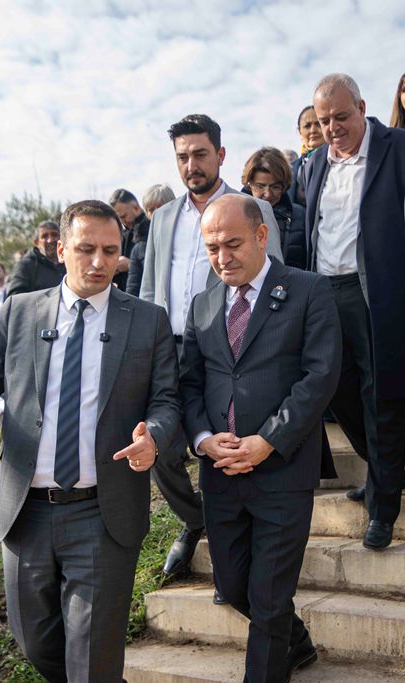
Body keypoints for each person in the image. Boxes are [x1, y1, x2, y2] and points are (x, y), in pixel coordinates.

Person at [0, 199, 180, 682]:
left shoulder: (147, 320)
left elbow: (167, 402)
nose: (99, 262)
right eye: (86, 249)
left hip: (102, 512)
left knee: (91, 659)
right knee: (35, 643)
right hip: (26, 512)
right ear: (61, 250)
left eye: (110, 251)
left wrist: (153, 438)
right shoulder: (19, 312)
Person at [180, 194, 341, 682]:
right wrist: (203, 438)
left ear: (261, 235)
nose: (222, 257)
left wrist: (268, 439)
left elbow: (319, 376)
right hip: (221, 472)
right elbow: (189, 383)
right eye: (212, 248)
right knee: (234, 587)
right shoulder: (203, 303)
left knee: (269, 597)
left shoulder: (308, 290)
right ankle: (298, 642)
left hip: (282, 470)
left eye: (232, 244)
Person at [139, 114, 283, 580]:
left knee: (223, 440)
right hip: (169, 346)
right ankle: (194, 518)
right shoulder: (163, 218)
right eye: (182, 157)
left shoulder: (250, 209)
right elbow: (149, 289)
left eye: (200, 154)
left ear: (220, 155)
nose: (191, 165)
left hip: (228, 348)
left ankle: (235, 546)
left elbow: (274, 279)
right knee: (161, 446)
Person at [305, 73, 405, 549]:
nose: (332, 128)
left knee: (380, 396)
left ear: (362, 107)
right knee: (334, 391)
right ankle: (386, 471)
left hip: (380, 293)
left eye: (341, 117)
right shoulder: (313, 165)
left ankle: (383, 508)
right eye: (324, 121)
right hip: (325, 293)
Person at [241, 146, 307, 268]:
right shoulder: (234, 214)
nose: (268, 194)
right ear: (249, 184)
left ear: (284, 186)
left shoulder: (300, 216)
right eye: (261, 186)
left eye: (275, 187)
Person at [127, 184, 176, 297]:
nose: (156, 213)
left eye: (160, 207)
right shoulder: (140, 248)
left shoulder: (187, 238)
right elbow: (133, 289)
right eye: (151, 210)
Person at [7, 220, 66, 296]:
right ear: (36, 242)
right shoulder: (25, 266)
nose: (50, 240)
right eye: (44, 236)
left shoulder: (70, 263)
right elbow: (15, 297)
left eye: (54, 235)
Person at [289, 105, 324, 206]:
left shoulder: (340, 162)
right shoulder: (290, 170)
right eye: (307, 126)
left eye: (318, 124)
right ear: (299, 132)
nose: (313, 130)